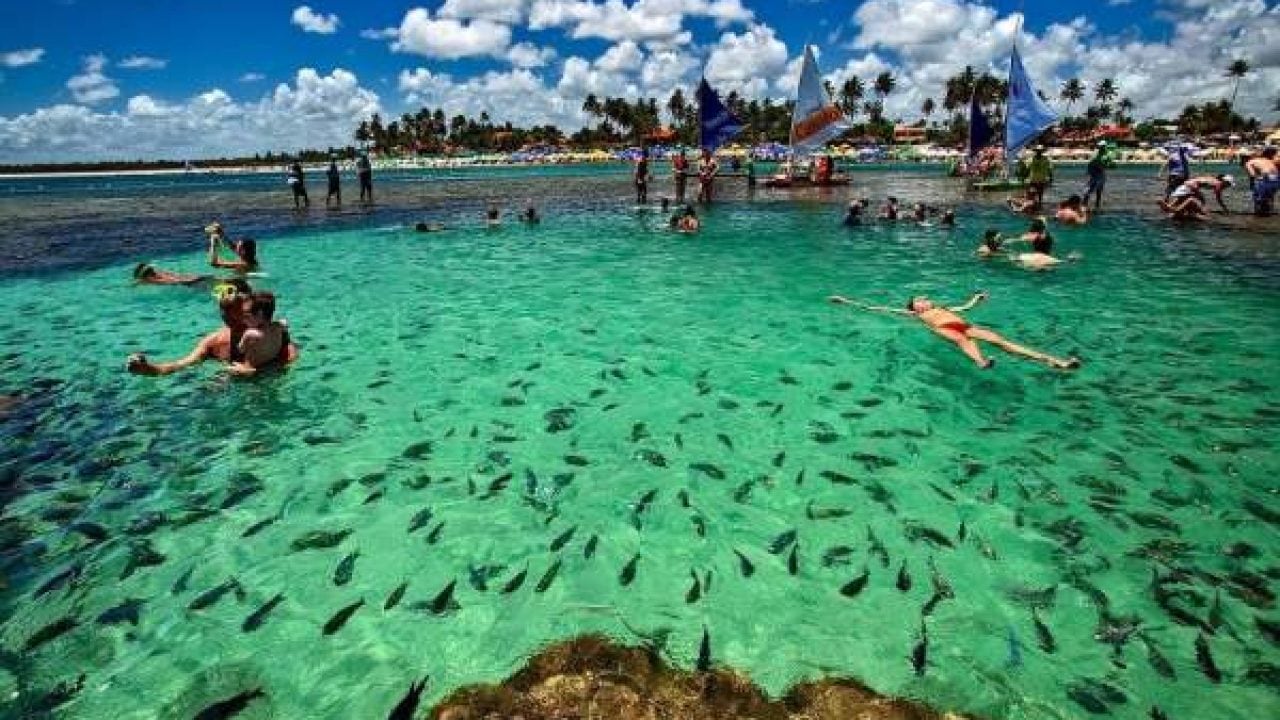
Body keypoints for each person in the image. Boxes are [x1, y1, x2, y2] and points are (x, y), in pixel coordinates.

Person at [828, 292, 1080, 371]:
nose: (925, 301)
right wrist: (845, 301)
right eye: (920, 300)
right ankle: (980, 361)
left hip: (964, 323)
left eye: (925, 299)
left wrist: (976, 299)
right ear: (914, 306)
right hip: (944, 329)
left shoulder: (943, 306)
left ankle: (1053, 361)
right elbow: (875, 308)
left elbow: (966, 306)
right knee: (961, 341)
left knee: (1002, 341)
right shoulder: (915, 314)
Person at [126, 285, 298, 376]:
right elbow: (181, 364)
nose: (225, 316)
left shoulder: (271, 331)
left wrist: (258, 372)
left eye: (232, 311)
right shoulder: (214, 342)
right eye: (223, 311)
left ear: (246, 309)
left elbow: (291, 359)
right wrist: (149, 368)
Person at [231, 292, 289, 376]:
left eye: (246, 315)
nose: (243, 320)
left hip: (247, 371)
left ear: (259, 314)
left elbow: (240, 350)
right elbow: (285, 323)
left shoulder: (250, 333)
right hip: (269, 370)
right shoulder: (280, 325)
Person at [1244, 146, 1278, 216]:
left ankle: (1258, 216)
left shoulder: (1249, 162)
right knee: (1269, 199)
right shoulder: (1269, 160)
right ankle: (1270, 215)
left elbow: (1252, 175)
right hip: (1276, 180)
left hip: (1265, 179)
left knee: (1258, 201)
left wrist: (1253, 184)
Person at [1082, 141, 1110, 209]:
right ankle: (1085, 204)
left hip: (1100, 174)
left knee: (1097, 190)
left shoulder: (1106, 154)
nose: (1100, 147)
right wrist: (1089, 171)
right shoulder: (1096, 153)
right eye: (1099, 146)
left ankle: (1096, 205)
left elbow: (1107, 164)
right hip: (1096, 174)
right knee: (1089, 189)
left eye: (1101, 146)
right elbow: (1091, 163)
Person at [132, 263, 213, 286]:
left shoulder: (149, 280)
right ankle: (204, 278)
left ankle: (203, 278)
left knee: (181, 280)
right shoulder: (158, 273)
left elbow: (175, 282)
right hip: (184, 280)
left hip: (184, 282)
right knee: (181, 278)